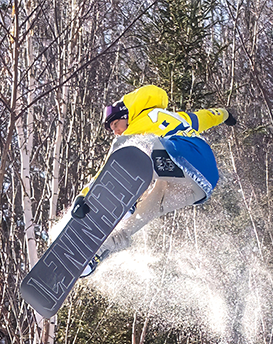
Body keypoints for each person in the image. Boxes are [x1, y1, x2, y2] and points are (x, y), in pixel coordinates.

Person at [79, 84, 237, 276]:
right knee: (143, 214)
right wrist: (225, 114)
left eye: (115, 125)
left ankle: (126, 199)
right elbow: (207, 116)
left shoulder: (136, 127)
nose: (116, 131)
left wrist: (85, 195)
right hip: (200, 184)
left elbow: (108, 167)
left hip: (183, 155)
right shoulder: (179, 117)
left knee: (127, 148)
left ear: (127, 115)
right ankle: (96, 253)